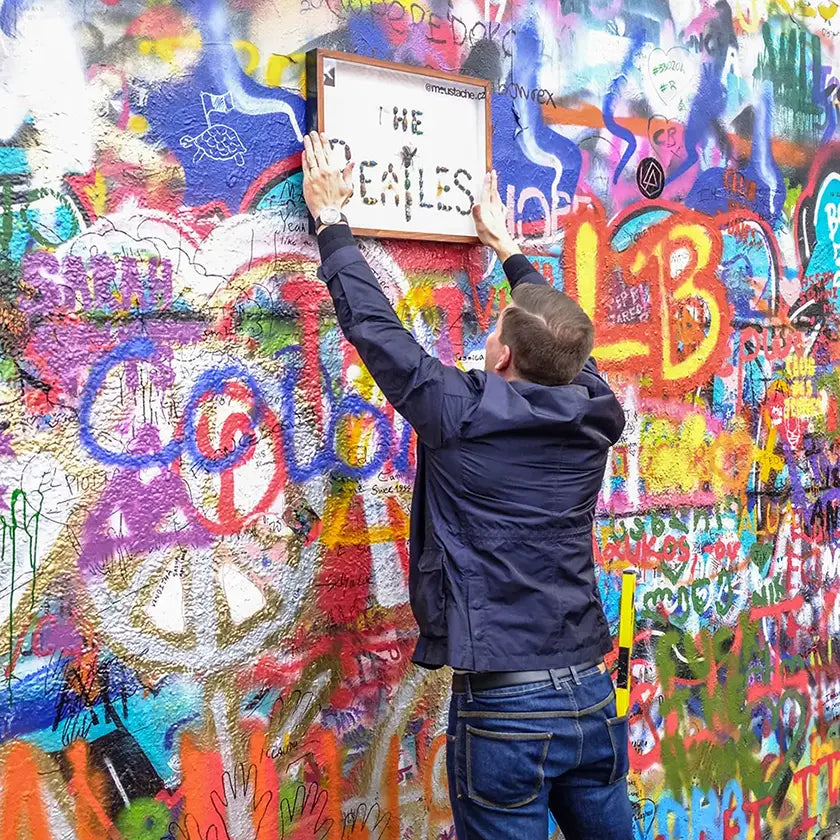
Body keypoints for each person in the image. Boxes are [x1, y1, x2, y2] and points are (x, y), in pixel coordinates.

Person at [301, 131, 632, 840]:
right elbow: (569, 344)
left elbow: (381, 335)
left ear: (504, 352)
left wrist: (330, 221)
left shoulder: (461, 414)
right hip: (589, 692)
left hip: (507, 708)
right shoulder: (598, 410)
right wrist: (509, 247)